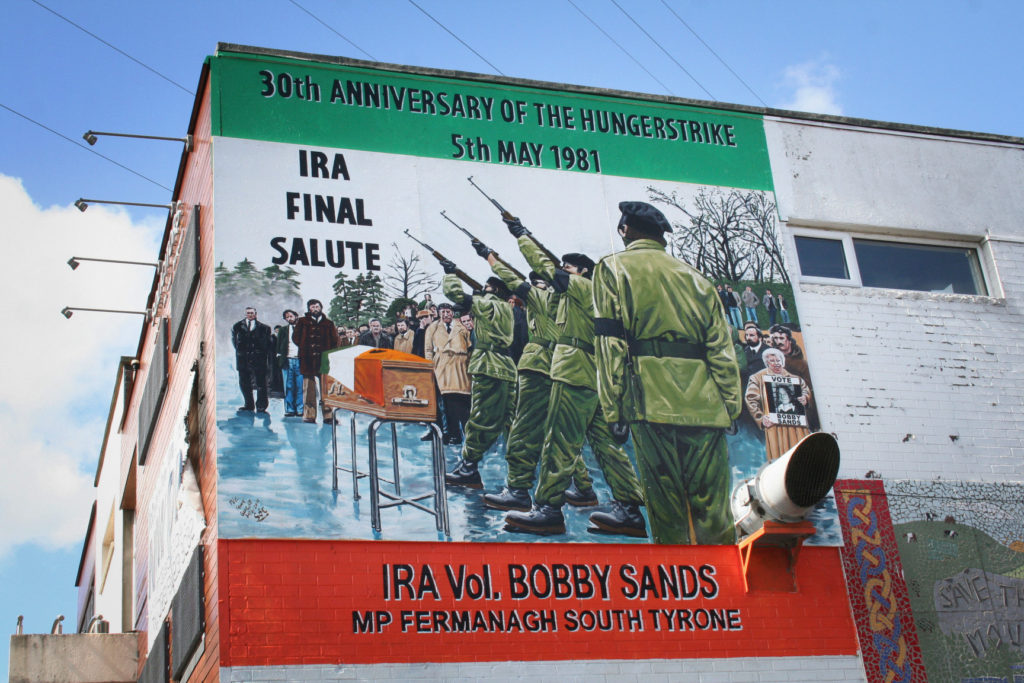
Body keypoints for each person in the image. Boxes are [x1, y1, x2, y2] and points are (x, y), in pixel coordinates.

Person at [593, 201, 742, 545]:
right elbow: (721, 349)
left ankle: (683, 583)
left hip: (650, 399)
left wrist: (613, 407)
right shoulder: (698, 279)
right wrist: (731, 405)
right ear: (662, 238)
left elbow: (609, 344)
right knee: (713, 508)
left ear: (625, 231)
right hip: (705, 403)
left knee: (666, 504)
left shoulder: (612, 269)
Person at [500, 224, 645, 538]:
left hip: (574, 372)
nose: (562, 271)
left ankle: (548, 510)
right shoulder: (592, 296)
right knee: (607, 447)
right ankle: (630, 509)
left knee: (559, 443)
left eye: (568, 267)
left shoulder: (583, 288)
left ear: (583, 272)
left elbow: (545, 269)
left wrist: (521, 235)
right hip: (594, 377)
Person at [476, 257, 595, 513]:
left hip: (541, 366)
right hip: (557, 366)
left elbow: (514, 283)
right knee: (556, 433)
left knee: (527, 429)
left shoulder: (550, 299)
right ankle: (584, 487)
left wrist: (492, 259)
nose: (536, 287)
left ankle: (519, 490)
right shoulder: (565, 299)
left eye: (540, 283)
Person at [440, 264, 517, 488]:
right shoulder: (507, 309)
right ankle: (518, 477)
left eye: (486, 287)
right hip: (506, 367)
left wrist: (450, 273)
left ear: (494, 290)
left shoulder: (490, 304)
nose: (482, 290)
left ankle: (469, 468)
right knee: (511, 423)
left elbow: (454, 294)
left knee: (480, 420)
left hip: (488, 366)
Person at [745, 348, 811, 462]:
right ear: (766, 363)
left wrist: (805, 398)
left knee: (801, 457)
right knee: (778, 460)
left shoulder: (796, 379)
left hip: (797, 428)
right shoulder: (757, 378)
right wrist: (761, 417)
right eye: (772, 361)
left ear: (783, 361)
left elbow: (805, 391)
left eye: (778, 360)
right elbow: (751, 399)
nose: (776, 363)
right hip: (774, 427)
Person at [425, 303, 472, 444]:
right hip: (442, 366)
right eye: (443, 312)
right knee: (446, 403)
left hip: (460, 366)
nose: (446, 314)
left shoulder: (461, 326)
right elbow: (428, 349)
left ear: (453, 313)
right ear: (439, 313)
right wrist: (430, 366)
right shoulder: (432, 327)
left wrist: (468, 364)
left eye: (448, 311)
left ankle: (468, 435)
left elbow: (469, 346)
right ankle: (453, 434)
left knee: (463, 401)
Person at [293, 299, 341, 424]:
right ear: (309, 309)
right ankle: (309, 415)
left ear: (321, 307)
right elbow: (296, 338)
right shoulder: (302, 322)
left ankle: (328, 415)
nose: (315, 308)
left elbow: (335, 340)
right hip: (307, 359)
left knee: (326, 389)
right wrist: (305, 347)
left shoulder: (329, 323)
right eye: (313, 307)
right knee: (308, 390)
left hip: (324, 360)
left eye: (317, 306)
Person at [231, 307, 273, 414]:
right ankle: (248, 405)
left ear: (256, 314)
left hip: (259, 360)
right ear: (245, 314)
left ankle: (261, 406)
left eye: (252, 313)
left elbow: (268, 344)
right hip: (243, 360)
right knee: (244, 383)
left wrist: (260, 354)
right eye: (248, 313)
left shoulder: (264, 328)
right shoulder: (237, 326)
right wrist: (241, 352)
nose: (250, 315)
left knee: (261, 383)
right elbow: (234, 341)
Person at [276, 309, 303, 417]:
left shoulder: (302, 329)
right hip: (287, 360)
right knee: (288, 386)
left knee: (300, 386)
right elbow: (278, 346)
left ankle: (300, 409)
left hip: (300, 360)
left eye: (291, 316)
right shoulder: (283, 330)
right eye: (287, 317)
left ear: (296, 316)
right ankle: (290, 409)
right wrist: (280, 360)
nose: (289, 318)